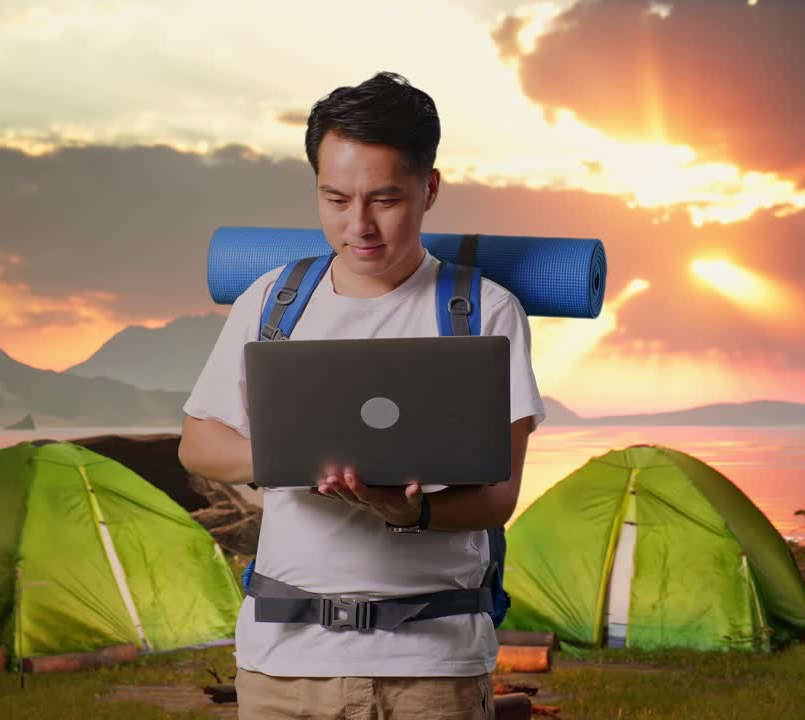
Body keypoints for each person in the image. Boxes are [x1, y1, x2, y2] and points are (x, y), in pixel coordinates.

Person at [178, 70, 544, 720]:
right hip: (283, 664)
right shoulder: (272, 302)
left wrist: (409, 514)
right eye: (336, 199)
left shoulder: (482, 311)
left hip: (433, 670)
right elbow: (199, 443)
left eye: (384, 199)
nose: (360, 225)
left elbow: (499, 497)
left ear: (428, 189)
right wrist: (293, 455)